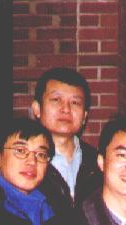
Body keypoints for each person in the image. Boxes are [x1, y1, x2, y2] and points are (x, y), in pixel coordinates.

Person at [32, 67, 102, 207]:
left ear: (84, 116)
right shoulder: (25, 160)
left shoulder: (99, 164)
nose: (66, 109)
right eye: (56, 99)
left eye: (75, 102)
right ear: (37, 109)